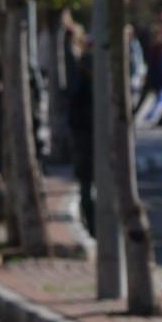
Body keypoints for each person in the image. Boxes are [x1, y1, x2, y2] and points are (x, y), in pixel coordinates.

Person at [68, 48, 95, 234]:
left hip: (96, 147)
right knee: (86, 189)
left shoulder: (100, 87)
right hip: (86, 146)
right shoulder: (80, 89)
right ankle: (92, 225)